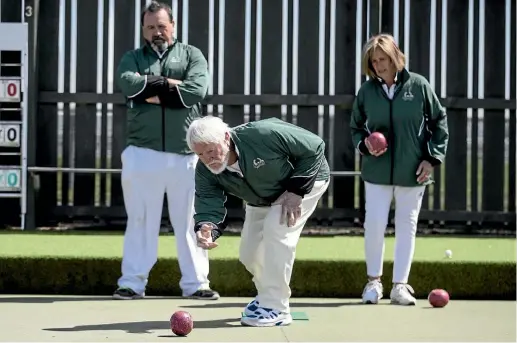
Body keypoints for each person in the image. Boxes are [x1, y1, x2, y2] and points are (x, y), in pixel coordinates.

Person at [112, 1, 219, 301]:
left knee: (189, 222)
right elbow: (128, 85)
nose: (157, 32)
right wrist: (168, 84)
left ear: (172, 25)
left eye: (161, 26)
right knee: (140, 221)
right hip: (141, 153)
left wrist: (154, 91)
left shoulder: (192, 55)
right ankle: (132, 282)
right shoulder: (132, 57)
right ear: (143, 30)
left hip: (186, 155)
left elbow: (196, 90)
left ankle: (197, 284)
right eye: (150, 27)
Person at [186, 116, 329, 327]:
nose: (208, 159)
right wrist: (208, 226)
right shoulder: (205, 169)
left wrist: (296, 191)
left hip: (304, 182)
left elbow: (315, 146)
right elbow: (208, 199)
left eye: (210, 151)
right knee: (249, 253)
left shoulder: (262, 134)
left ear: (226, 137)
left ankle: (277, 307)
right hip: (260, 198)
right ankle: (266, 296)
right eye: (200, 154)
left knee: (276, 230)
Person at [350, 33, 449, 305]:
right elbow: (356, 127)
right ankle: (373, 284)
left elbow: (439, 121)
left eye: (382, 59)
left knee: (407, 226)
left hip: (412, 171)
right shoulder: (367, 91)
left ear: (395, 56)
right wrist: (365, 146)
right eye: (374, 61)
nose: (379, 65)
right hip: (376, 172)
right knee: (374, 224)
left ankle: (400, 286)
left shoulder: (418, 85)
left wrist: (432, 158)